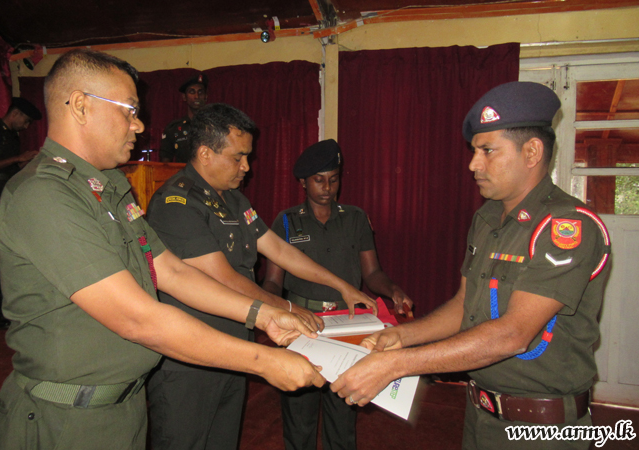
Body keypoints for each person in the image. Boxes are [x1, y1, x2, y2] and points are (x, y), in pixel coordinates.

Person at [0, 49, 325, 450]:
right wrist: (264, 361)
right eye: (129, 110)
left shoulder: (110, 187)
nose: (139, 124)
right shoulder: (44, 194)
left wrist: (265, 315)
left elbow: (172, 271)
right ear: (80, 105)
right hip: (64, 419)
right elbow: (137, 319)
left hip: (124, 407)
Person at [330, 82, 611, 450]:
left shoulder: (567, 226)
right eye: (474, 151)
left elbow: (513, 334)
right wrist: (402, 337)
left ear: (531, 152)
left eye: (487, 151)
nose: (473, 164)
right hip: (480, 416)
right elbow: (465, 307)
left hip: (542, 429)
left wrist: (396, 365)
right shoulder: (488, 218)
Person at [145, 104, 378, 450]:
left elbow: (280, 250)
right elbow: (224, 278)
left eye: (247, 157)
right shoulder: (177, 202)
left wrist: (342, 287)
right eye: (238, 157)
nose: (246, 167)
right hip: (189, 360)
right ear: (205, 154)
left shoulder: (235, 200)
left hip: (234, 348)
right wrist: (288, 308)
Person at [261, 138, 412, 450]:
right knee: (299, 416)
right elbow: (273, 282)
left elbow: (372, 273)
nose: (327, 188)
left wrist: (393, 290)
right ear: (303, 182)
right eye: (319, 180)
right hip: (303, 326)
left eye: (333, 179)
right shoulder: (286, 221)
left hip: (348, 326)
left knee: (343, 415)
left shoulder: (355, 218)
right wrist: (273, 310)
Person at [0, 97, 42, 328]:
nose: (26, 126)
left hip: (11, 188)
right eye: (26, 121)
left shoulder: (13, 135)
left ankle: (11, 302)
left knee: (14, 244)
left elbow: (13, 167)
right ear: (15, 114)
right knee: (2, 244)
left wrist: (29, 161)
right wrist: (17, 158)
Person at [159, 71, 208, 162]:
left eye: (200, 92)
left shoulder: (215, 126)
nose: (196, 96)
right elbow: (165, 163)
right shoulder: (173, 128)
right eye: (192, 92)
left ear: (206, 96)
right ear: (184, 97)